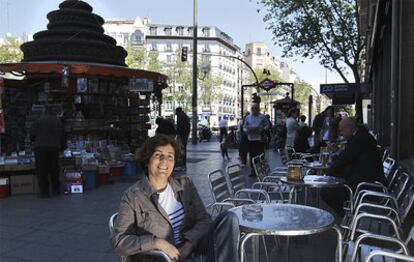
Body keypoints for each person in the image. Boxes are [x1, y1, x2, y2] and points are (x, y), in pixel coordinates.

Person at [112, 135, 240, 262]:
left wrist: (188, 245)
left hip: (189, 250)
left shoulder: (185, 185)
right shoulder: (133, 196)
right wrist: (157, 243)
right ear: (147, 159)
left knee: (229, 219)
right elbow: (119, 242)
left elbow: (204, 220)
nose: (164, 161)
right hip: (159, 258)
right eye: (158, 155)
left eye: (170, 156)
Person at [321, 117, 386, 216]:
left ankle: (349, 217)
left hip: (367, 185)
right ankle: (349, 216)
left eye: (342, 130)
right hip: (369, 180)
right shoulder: (362, 136)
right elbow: (346, 158)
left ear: (349, 128)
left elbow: (344, 159)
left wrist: (328, 173)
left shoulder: (359, 139)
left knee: (327, 192)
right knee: (333, 186)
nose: (341, 133)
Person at [30, 107, 65, 198]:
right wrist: (62, 147)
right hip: (54, 148)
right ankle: (55, 189)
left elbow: (32, 135)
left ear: (44, 112)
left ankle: (44, 192)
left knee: (42, 170)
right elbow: (62, 135)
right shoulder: (58, 121)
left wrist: (34, 139)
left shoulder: (38, 121)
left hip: (41, 148)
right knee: (54, 169)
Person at [243, 104, 270, 176]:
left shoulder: (262, 117)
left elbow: (267, 126)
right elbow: (244, 127)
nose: (254, 110)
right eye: (253, 108)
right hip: (251, 139)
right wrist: (247, 131)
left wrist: (262, 129)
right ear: (251, 109)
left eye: (256, 108)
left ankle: (261, 169)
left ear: (258, 109)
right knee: (252, 155)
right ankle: (253, 170)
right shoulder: (248, 117)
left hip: (260, 139)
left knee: (260, 155)